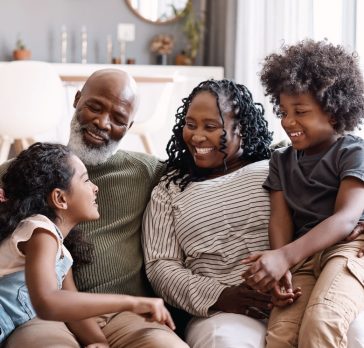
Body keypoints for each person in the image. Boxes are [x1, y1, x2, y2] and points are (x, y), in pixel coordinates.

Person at [0, 69, 188, 348]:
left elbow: (199, 173)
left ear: (130, 126)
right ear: (77, 100)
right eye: (95, 107)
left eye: (118, 119)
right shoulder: (21, 180)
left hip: (114, 317)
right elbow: (49, 301)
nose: (102, 122)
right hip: (33, 319)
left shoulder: (147, 172)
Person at [242, 39, 364, 347]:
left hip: (346, 251)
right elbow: (280, 219)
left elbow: (346, 219)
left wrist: (283, 256)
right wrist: (282, 266)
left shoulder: (352, 151)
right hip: (303, 257)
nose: (288, 122)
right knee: (281, 334)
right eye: (283, 111)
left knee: (322, 322)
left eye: (301, 111)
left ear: (334, 113)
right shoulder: (280, 160)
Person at [142, 79, 278, 348]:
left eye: (211, 127)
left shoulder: (277, 165)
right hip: (223, 314)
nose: (197, 136)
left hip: (294, 296)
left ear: (242, 127)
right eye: (190, 125)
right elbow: (160, 266)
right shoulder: (170, 189)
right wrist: (222, 296)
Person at [0, 142, 174, 347]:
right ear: (60, 198)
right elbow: (48, 302)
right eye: (86, 180)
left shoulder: (61, 252)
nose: (95, 187)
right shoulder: (40, 232)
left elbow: (72, 310)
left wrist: (101, 344)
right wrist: (132, 302)